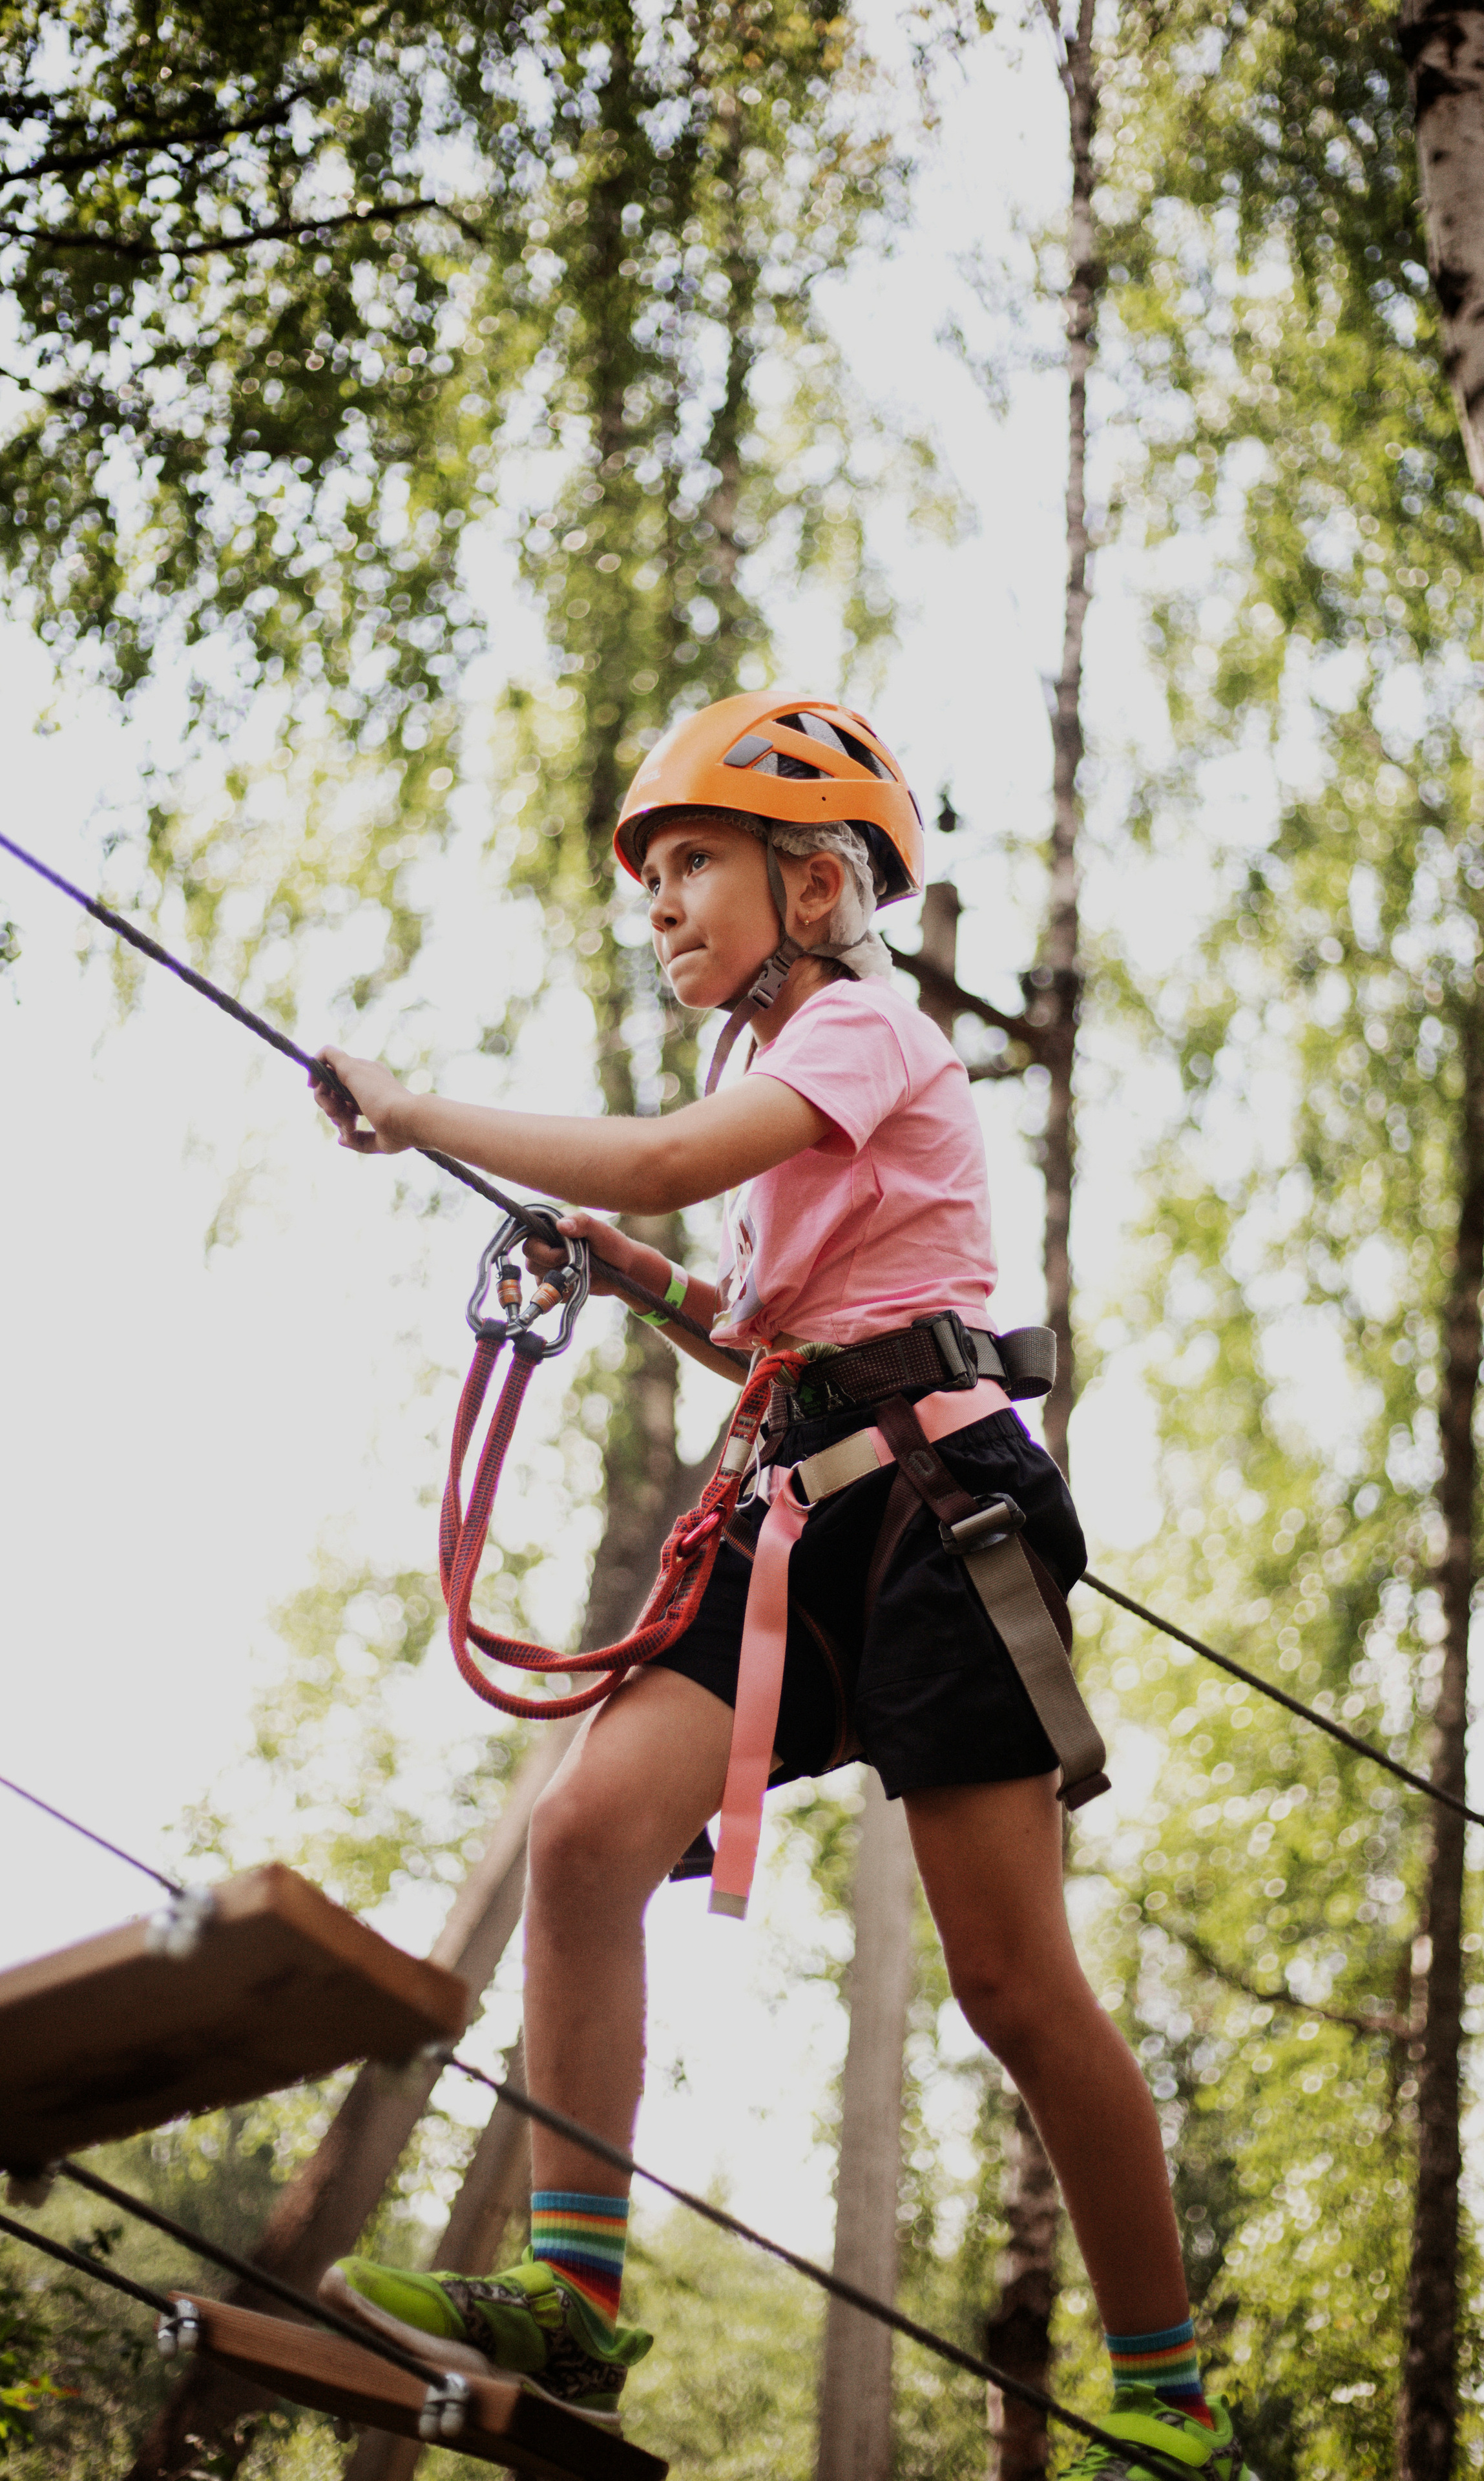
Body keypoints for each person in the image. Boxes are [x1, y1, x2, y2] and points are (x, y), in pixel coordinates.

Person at [311, 695, 1254, 2480]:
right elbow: (762, 1317)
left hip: (937, 1513)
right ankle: (576, 2299)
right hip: (796, 1519)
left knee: (1010, 1982)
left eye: (694, 869)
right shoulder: (792, 1085)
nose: (664, 907)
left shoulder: (870, 1030)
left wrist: (419, 1105)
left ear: (817, 884)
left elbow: (678, 1154)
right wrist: (638, 1281)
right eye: (652, 880)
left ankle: (1169, 2395)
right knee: (586, 1836)